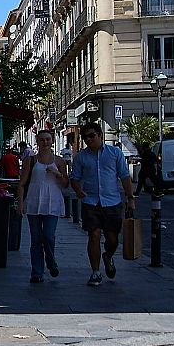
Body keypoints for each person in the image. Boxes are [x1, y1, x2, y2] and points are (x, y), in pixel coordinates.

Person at [69, 120, 134, 287]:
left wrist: (130, 198)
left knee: (112, 239)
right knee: (94, 235)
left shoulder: (114, 153)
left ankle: (108, 256)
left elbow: (125, 176)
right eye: (85, 137)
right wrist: (78, 190)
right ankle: (96, 272)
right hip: (91, 202)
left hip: (112, 201)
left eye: (92, 136)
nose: (89, 140)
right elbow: (74, 178)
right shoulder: (81, 157)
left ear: (100, 135)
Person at [15, 128, 68, 284]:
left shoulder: (59, 161)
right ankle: (37, 272)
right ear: (37, 142)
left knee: (48, 236)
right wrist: (20, 203)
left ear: (52, 142)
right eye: (42, 140)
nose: (45, 142)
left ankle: (51, 262)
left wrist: (58, 173)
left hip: (52, 203)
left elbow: (65, 184)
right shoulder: (30, 161)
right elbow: (22, 183)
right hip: (34, 202)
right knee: (36, 239)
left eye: (48, 139)